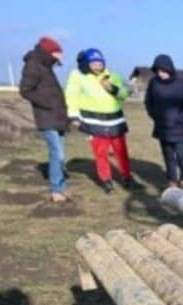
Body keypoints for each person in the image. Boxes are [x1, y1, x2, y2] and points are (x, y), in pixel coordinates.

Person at [65, 48, 137, 193]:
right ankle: (106, 180)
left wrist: (113, 89)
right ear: (86, 63)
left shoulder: (112, 75)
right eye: (94, 62)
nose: (98, 65)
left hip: (115, 120)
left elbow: (124, 93)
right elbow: (71, 94)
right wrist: (73, 115)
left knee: (121, 151)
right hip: (94, 120)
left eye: (100, 62)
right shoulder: (78, 76)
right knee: (100, 152)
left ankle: (127, 178)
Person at [19, 36, 71, 203]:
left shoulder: (47, 67)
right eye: (58, 52)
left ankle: (61, 189)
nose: (61, 56)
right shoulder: (33, 65)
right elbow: (25, 90)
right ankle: (56, 190)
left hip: (57, 117)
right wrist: (48, 103)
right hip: (46, 117)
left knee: (59, 154)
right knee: (58, 154)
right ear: (49, 52)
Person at [144, 54, 183, 190]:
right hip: (162, 127)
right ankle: (172, 180)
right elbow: (148, 102)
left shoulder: (181, 84)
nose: (160, 74)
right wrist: (155, 116)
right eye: (158, 71)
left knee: (181, 155)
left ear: (169, 69)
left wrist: (180, 118)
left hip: (179, 128)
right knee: (168, 156)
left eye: (163, 70)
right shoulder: (153, 83)